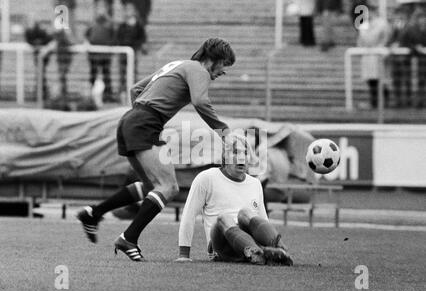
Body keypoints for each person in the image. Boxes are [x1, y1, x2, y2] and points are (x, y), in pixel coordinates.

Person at [77, 38, 237, 262]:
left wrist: (142, 117)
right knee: (169, 187)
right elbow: (200, 102)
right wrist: (223, 131)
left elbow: (136, 90)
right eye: (224, 66)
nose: (222, 72)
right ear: (214, 59)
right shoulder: (197, 69)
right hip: (144, 123)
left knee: (151, 186)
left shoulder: (177, 65)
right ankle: (128, 238)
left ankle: (94, 213)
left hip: (130, 121)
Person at [175, 136, 293, 266]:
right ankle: (257, 253)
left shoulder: (255, 183)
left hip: (250, 240)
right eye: (235, 152)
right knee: (223, 218)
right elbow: (189, 215)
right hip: (221, 245)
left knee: (245, 213)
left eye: (245, 153)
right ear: (225, 157)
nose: (241, 158)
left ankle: (281, 252)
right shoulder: (207, 178)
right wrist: (184, 255)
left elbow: (263, 221)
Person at [357, 4, 391, 109]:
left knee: (380, 80)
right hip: (367, 56)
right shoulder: (363, 23)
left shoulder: (381, 23)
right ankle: (374, 102)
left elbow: (375, 38)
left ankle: (382, 102)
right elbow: (360, 40)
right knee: (371, 80)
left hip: (378, 56)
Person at [116, 3, 147, 99]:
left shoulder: (138, 25)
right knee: (122, 74)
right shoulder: (122, 26)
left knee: (133, 72)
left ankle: (133, 92)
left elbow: (142, 38)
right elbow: (118, 37)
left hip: (133, 53)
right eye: (127, 9)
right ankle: (122, 93)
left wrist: (138, 46)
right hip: (123, 53)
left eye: (130, 9)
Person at [398, 9, 426, 109]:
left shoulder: (423, 30)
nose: (423, 20)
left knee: (422, 82)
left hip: (422, 61)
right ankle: (409, 102)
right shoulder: (410, 29)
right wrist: (416, 47)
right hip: (410, 60)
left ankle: (420, 103)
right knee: (408, 81)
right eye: (421, 18)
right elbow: (404, 42)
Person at [85, 13, 116, 102]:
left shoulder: (92, 28)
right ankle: (107, 95)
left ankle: (92, 95)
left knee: (94, 75)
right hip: (103, 56)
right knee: (105, 75)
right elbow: (113, 41)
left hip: (95, 56)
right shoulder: (108, 29)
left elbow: (87, 39)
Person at [24, 18, 53, 100]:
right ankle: (40, 93)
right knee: (40, 74)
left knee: (41, 74)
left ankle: (41, 94)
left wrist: (44, 50)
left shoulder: (43, 33)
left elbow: (51, 41)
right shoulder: (30, 33)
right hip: (38, 56)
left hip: (44, 56)